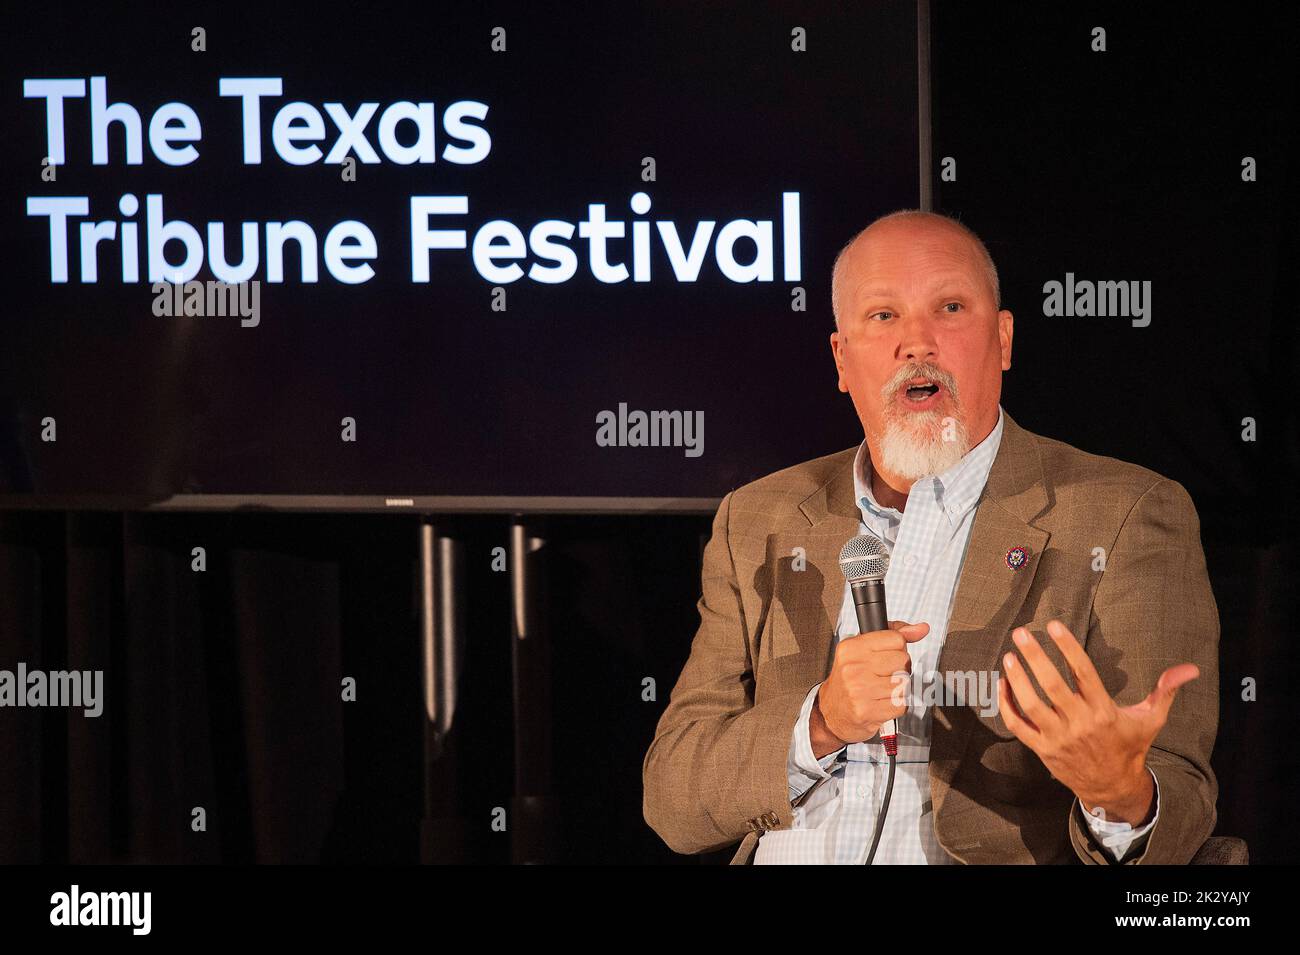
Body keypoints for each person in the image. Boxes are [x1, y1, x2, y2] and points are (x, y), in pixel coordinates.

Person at [641, 210, 1219, 864]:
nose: (917, 342)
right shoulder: (759, 518)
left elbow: (1182, 805)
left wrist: (1117, 792)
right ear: (841, 357)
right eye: (883, 315)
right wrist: (822, 721)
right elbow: (673, 797)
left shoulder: (1125, 514)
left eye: (949, 307)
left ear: (1002, 340)